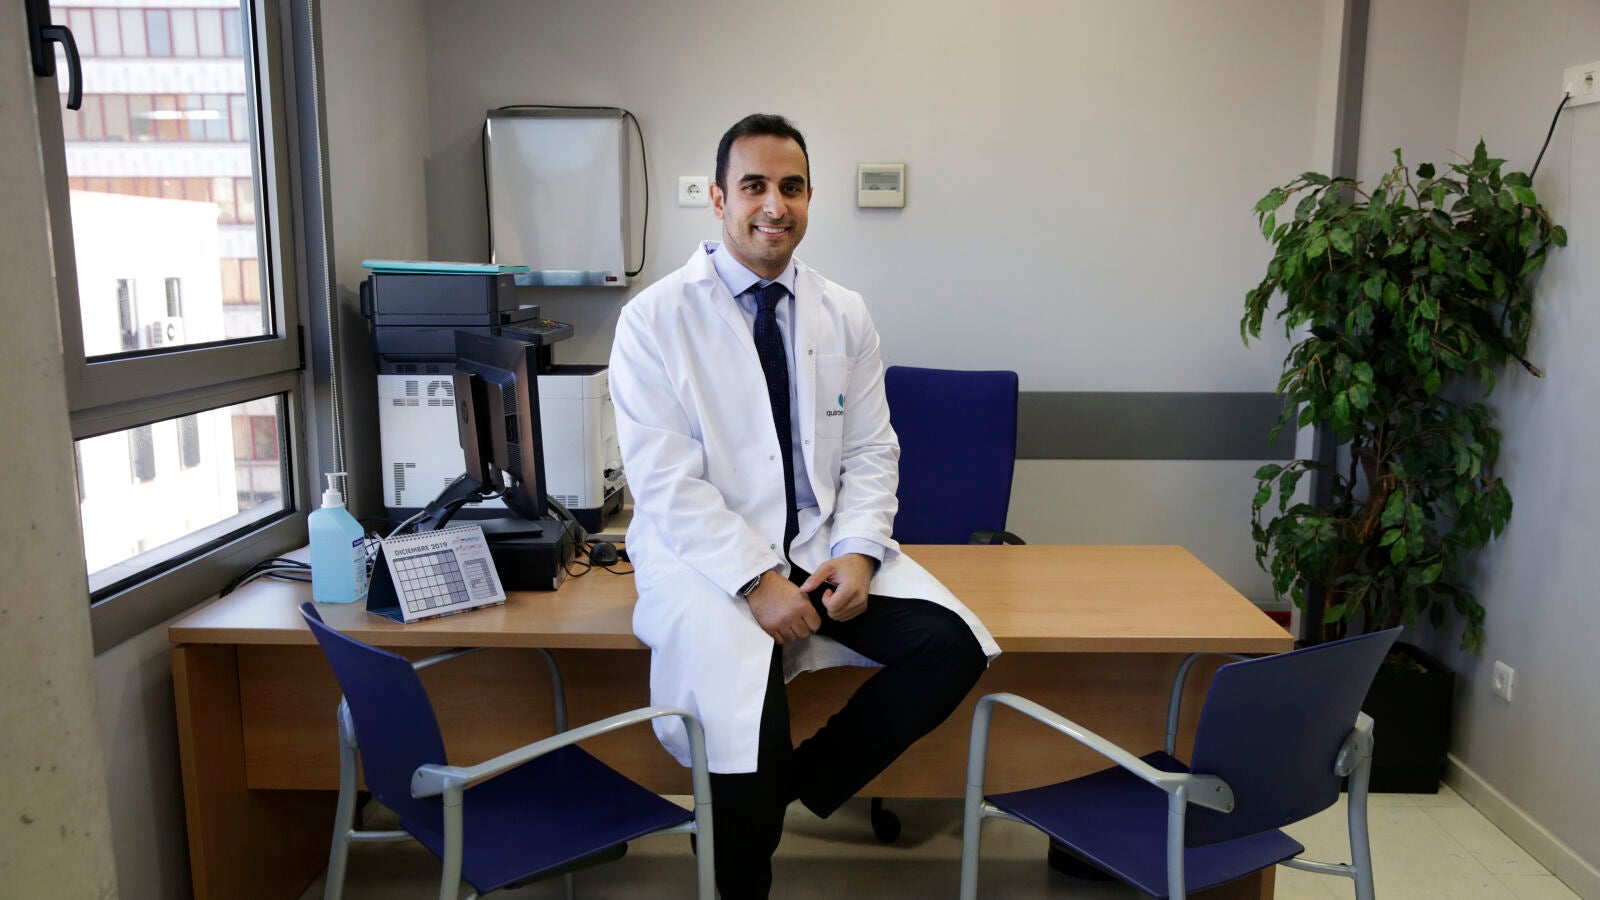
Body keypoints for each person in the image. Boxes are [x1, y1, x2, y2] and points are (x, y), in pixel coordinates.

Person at [608, 113, 1000, 899]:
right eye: (753, 185)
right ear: (719, 198)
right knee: (744, 727)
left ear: (810, 198)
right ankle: (748, 830)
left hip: (819, 548)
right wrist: (756, 581)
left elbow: (871, 450)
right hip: (712, 566)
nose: (773, 205)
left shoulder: (842, 311)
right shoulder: (655, 319)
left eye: (791, 187)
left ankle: (787, 788)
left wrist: (858, 552)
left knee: (949, 648)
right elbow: (666, 481)